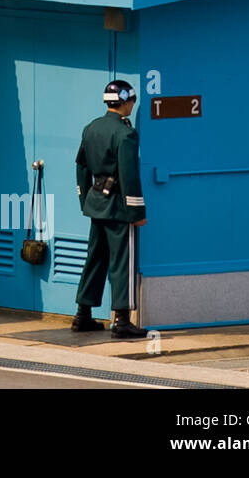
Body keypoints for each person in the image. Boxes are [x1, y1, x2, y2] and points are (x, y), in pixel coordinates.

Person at [72, 79, 148, 339]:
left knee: (95, 259)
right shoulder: (125, 133)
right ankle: (122, 321)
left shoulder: (91, 128)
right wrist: (137, 212)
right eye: (132, 102)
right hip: (117, 207)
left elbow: (81, 167)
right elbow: (129, 175)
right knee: (121, 262)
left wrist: (85, 201)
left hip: (96, 204)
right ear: (126, 100)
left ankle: (83, 314)